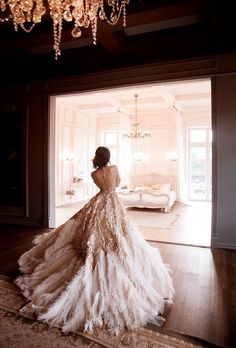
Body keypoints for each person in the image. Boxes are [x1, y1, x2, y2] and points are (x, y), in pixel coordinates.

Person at [15, 146, 174, 335]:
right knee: (120, 233)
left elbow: (102, 188)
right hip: (113, 203)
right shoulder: (114, 169)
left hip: (99, 202)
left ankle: (96, 246)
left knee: (91, 230)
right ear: (109, 157)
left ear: (97, 158)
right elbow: (118, 183)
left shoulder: (94, 173)